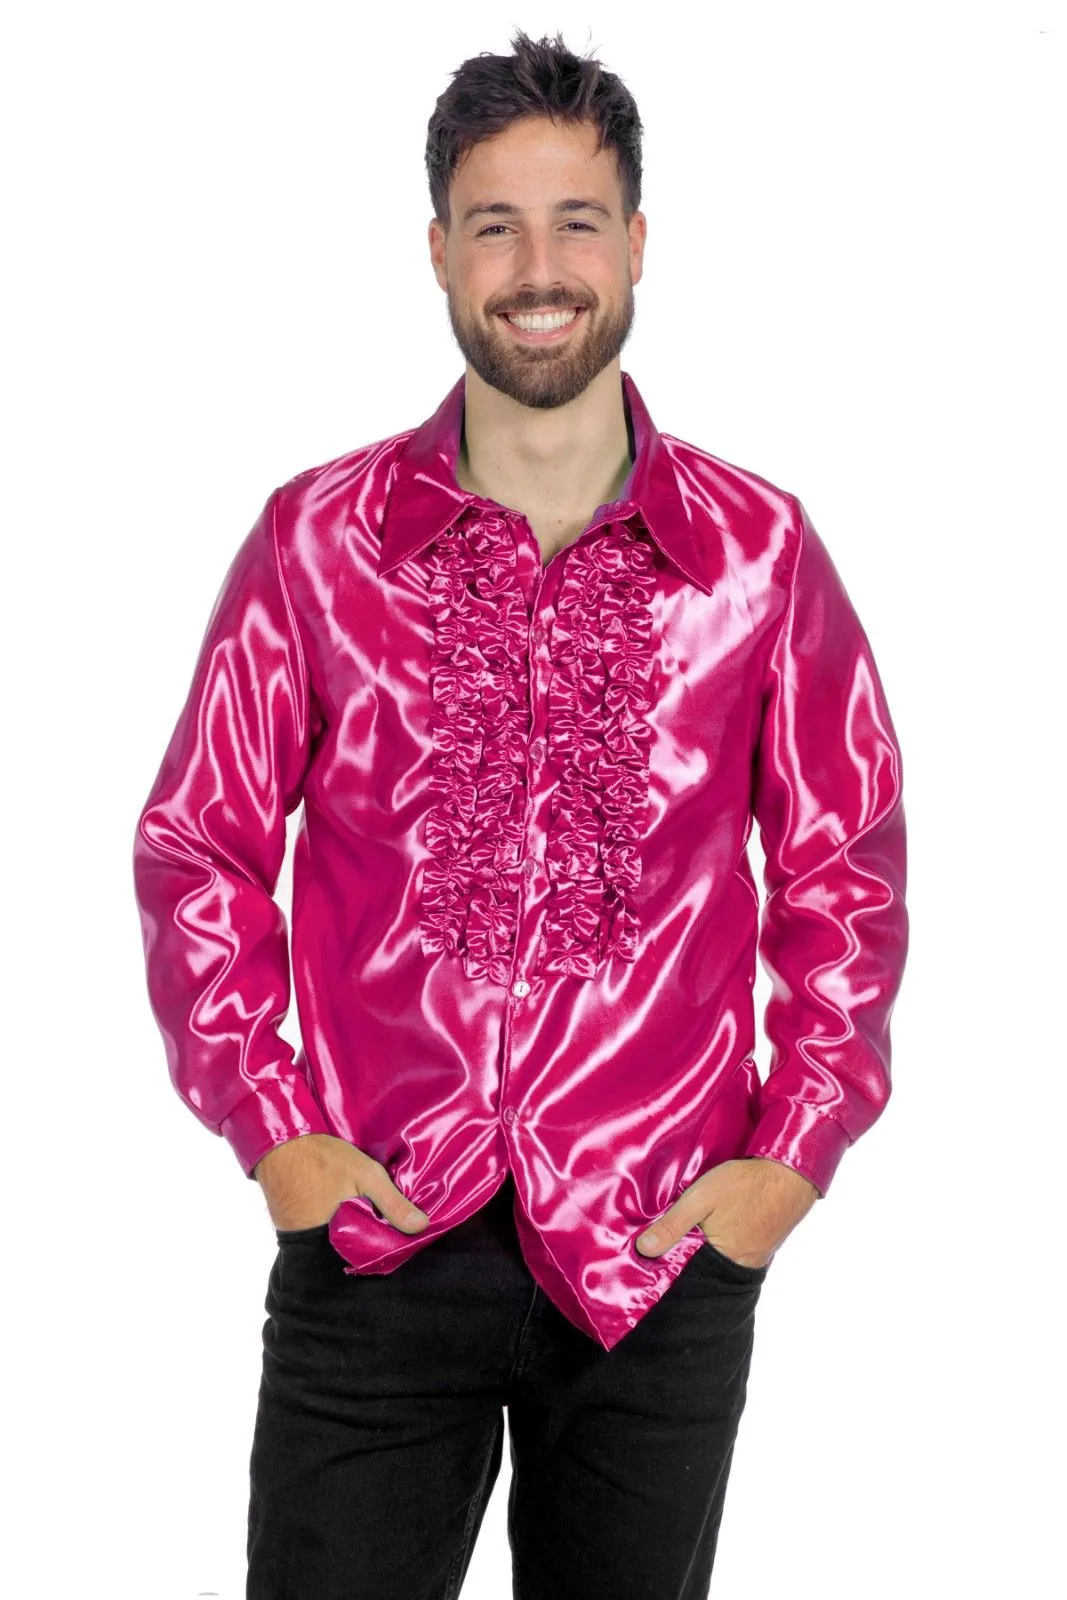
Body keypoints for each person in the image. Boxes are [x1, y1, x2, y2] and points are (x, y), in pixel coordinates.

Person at [132, 28, 909, 1600]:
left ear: (637, 242)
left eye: (575, 223)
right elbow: (200, 846)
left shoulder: (758, 554)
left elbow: (846, 868)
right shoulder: (317, 542)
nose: (537, 270)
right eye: (495, 225)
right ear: (436, 249)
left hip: (657, 1241)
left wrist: (788, 1161)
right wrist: (276, 1133)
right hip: (378, 1227)